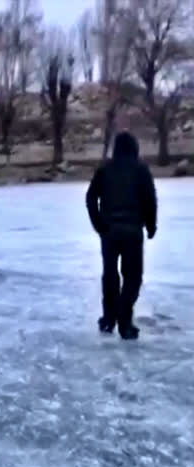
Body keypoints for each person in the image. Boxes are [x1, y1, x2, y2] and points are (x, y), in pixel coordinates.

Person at [86, 131, 157, 340]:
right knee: (132, 278)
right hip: (133, 231)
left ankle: (109, 319)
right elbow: (149, 200)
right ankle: (124, 320)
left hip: (109, 231)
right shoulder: (141, 169)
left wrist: (98, 223)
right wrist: (151, 225)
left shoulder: (104, 169)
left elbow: (90, 197)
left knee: (110, 276)